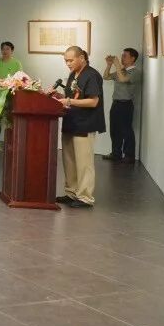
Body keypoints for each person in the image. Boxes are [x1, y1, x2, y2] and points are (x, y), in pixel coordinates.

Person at [56, 46, 105, 208]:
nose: (68, 64)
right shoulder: (73, 74)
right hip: (71, 121)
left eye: (71, 60)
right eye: (66, 61)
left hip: (85, 124)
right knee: (69, 160)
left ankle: (85, 197)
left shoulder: (91, 75)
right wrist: (57, 97)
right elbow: (71, 97)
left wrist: (69, 101)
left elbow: (93, 101)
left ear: (82, 58)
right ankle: (71, 192)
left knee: (84, 163)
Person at [104, 48, 141, 163]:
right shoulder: (122, 70)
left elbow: (123, 79)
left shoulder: (136, 72)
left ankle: (129, 156)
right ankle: (116, 154)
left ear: (132, 58)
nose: (121, 58)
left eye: (125, 56)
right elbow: (106, 76)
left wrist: (117, 65)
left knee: (126, 130)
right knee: (114, 130)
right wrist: (109, 65)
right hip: (116, 104)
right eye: (122, 55)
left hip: (126, 104)